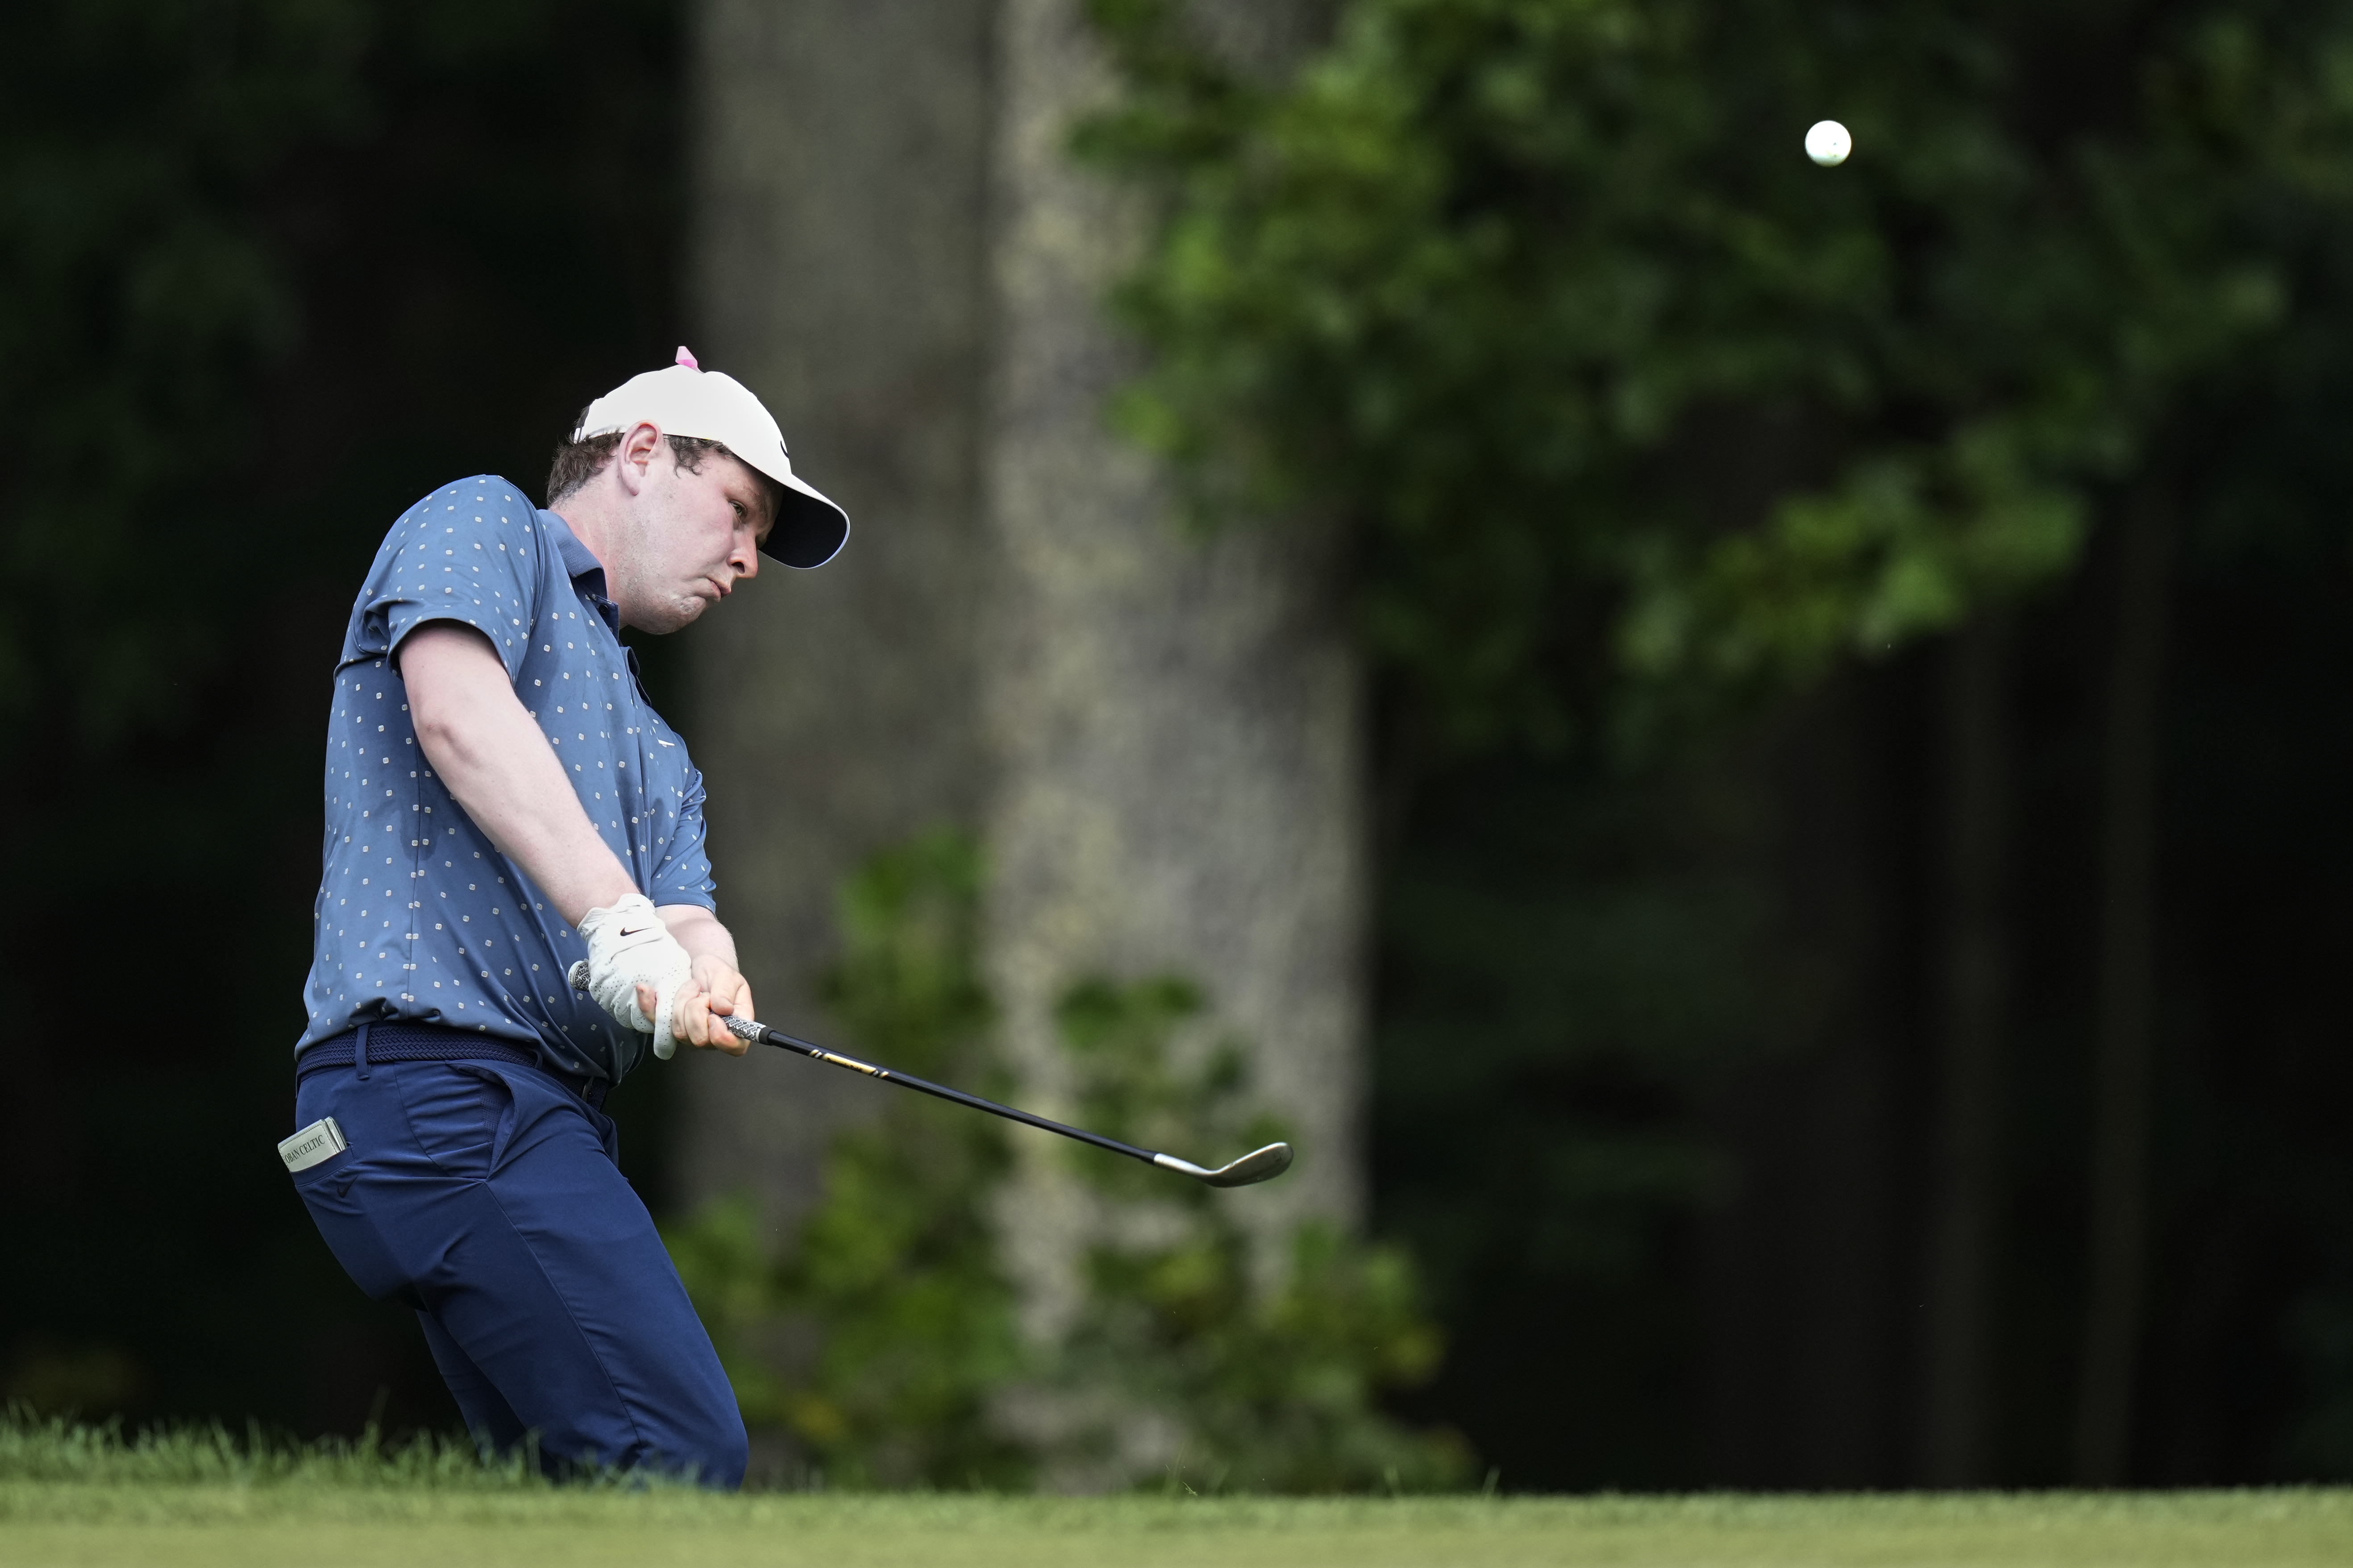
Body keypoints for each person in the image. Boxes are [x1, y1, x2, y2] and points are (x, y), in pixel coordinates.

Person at [280, 348, 848, 1486]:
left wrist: (706, 973)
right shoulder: (483, 525)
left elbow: (686, 919)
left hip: (526, 1119)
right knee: (676, 1448)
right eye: (737, 511)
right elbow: (454, 710)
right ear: (641, 453)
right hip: (438, 1090)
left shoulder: (661, 748)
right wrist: (617, 922)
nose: (746, 559)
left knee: (571, 1494)